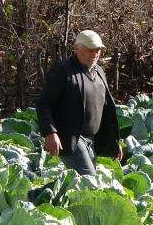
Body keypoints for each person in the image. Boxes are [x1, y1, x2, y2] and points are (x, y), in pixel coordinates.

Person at [37, 30, 121, 174]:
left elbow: (106, 108)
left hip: (92, 140)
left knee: (80, 186)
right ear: (76, 49)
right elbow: (44, 102)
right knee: (89, 181)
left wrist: (113, 142)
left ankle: (34, 195)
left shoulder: (99, 72)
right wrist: (50, 133)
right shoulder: (63, 70)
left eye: (98, 50)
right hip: (71, 138)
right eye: (90, 50)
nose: (95, 54)